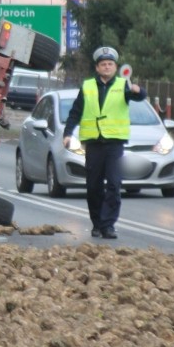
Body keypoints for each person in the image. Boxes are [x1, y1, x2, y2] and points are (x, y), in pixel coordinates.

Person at [62, 46, 147, 239]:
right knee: (93, 186)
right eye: (103, 64)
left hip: (114, 143)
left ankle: (108, 225)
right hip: (93, 143)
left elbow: (140, 96)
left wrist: (137, 89)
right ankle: (97, 223)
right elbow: (76, 112)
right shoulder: (88, 86)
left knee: (114, 184)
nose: (107, 67)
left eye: (110, 64)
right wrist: (68, 133)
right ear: (97, 68)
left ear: (115, 67)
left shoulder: (123, 85)